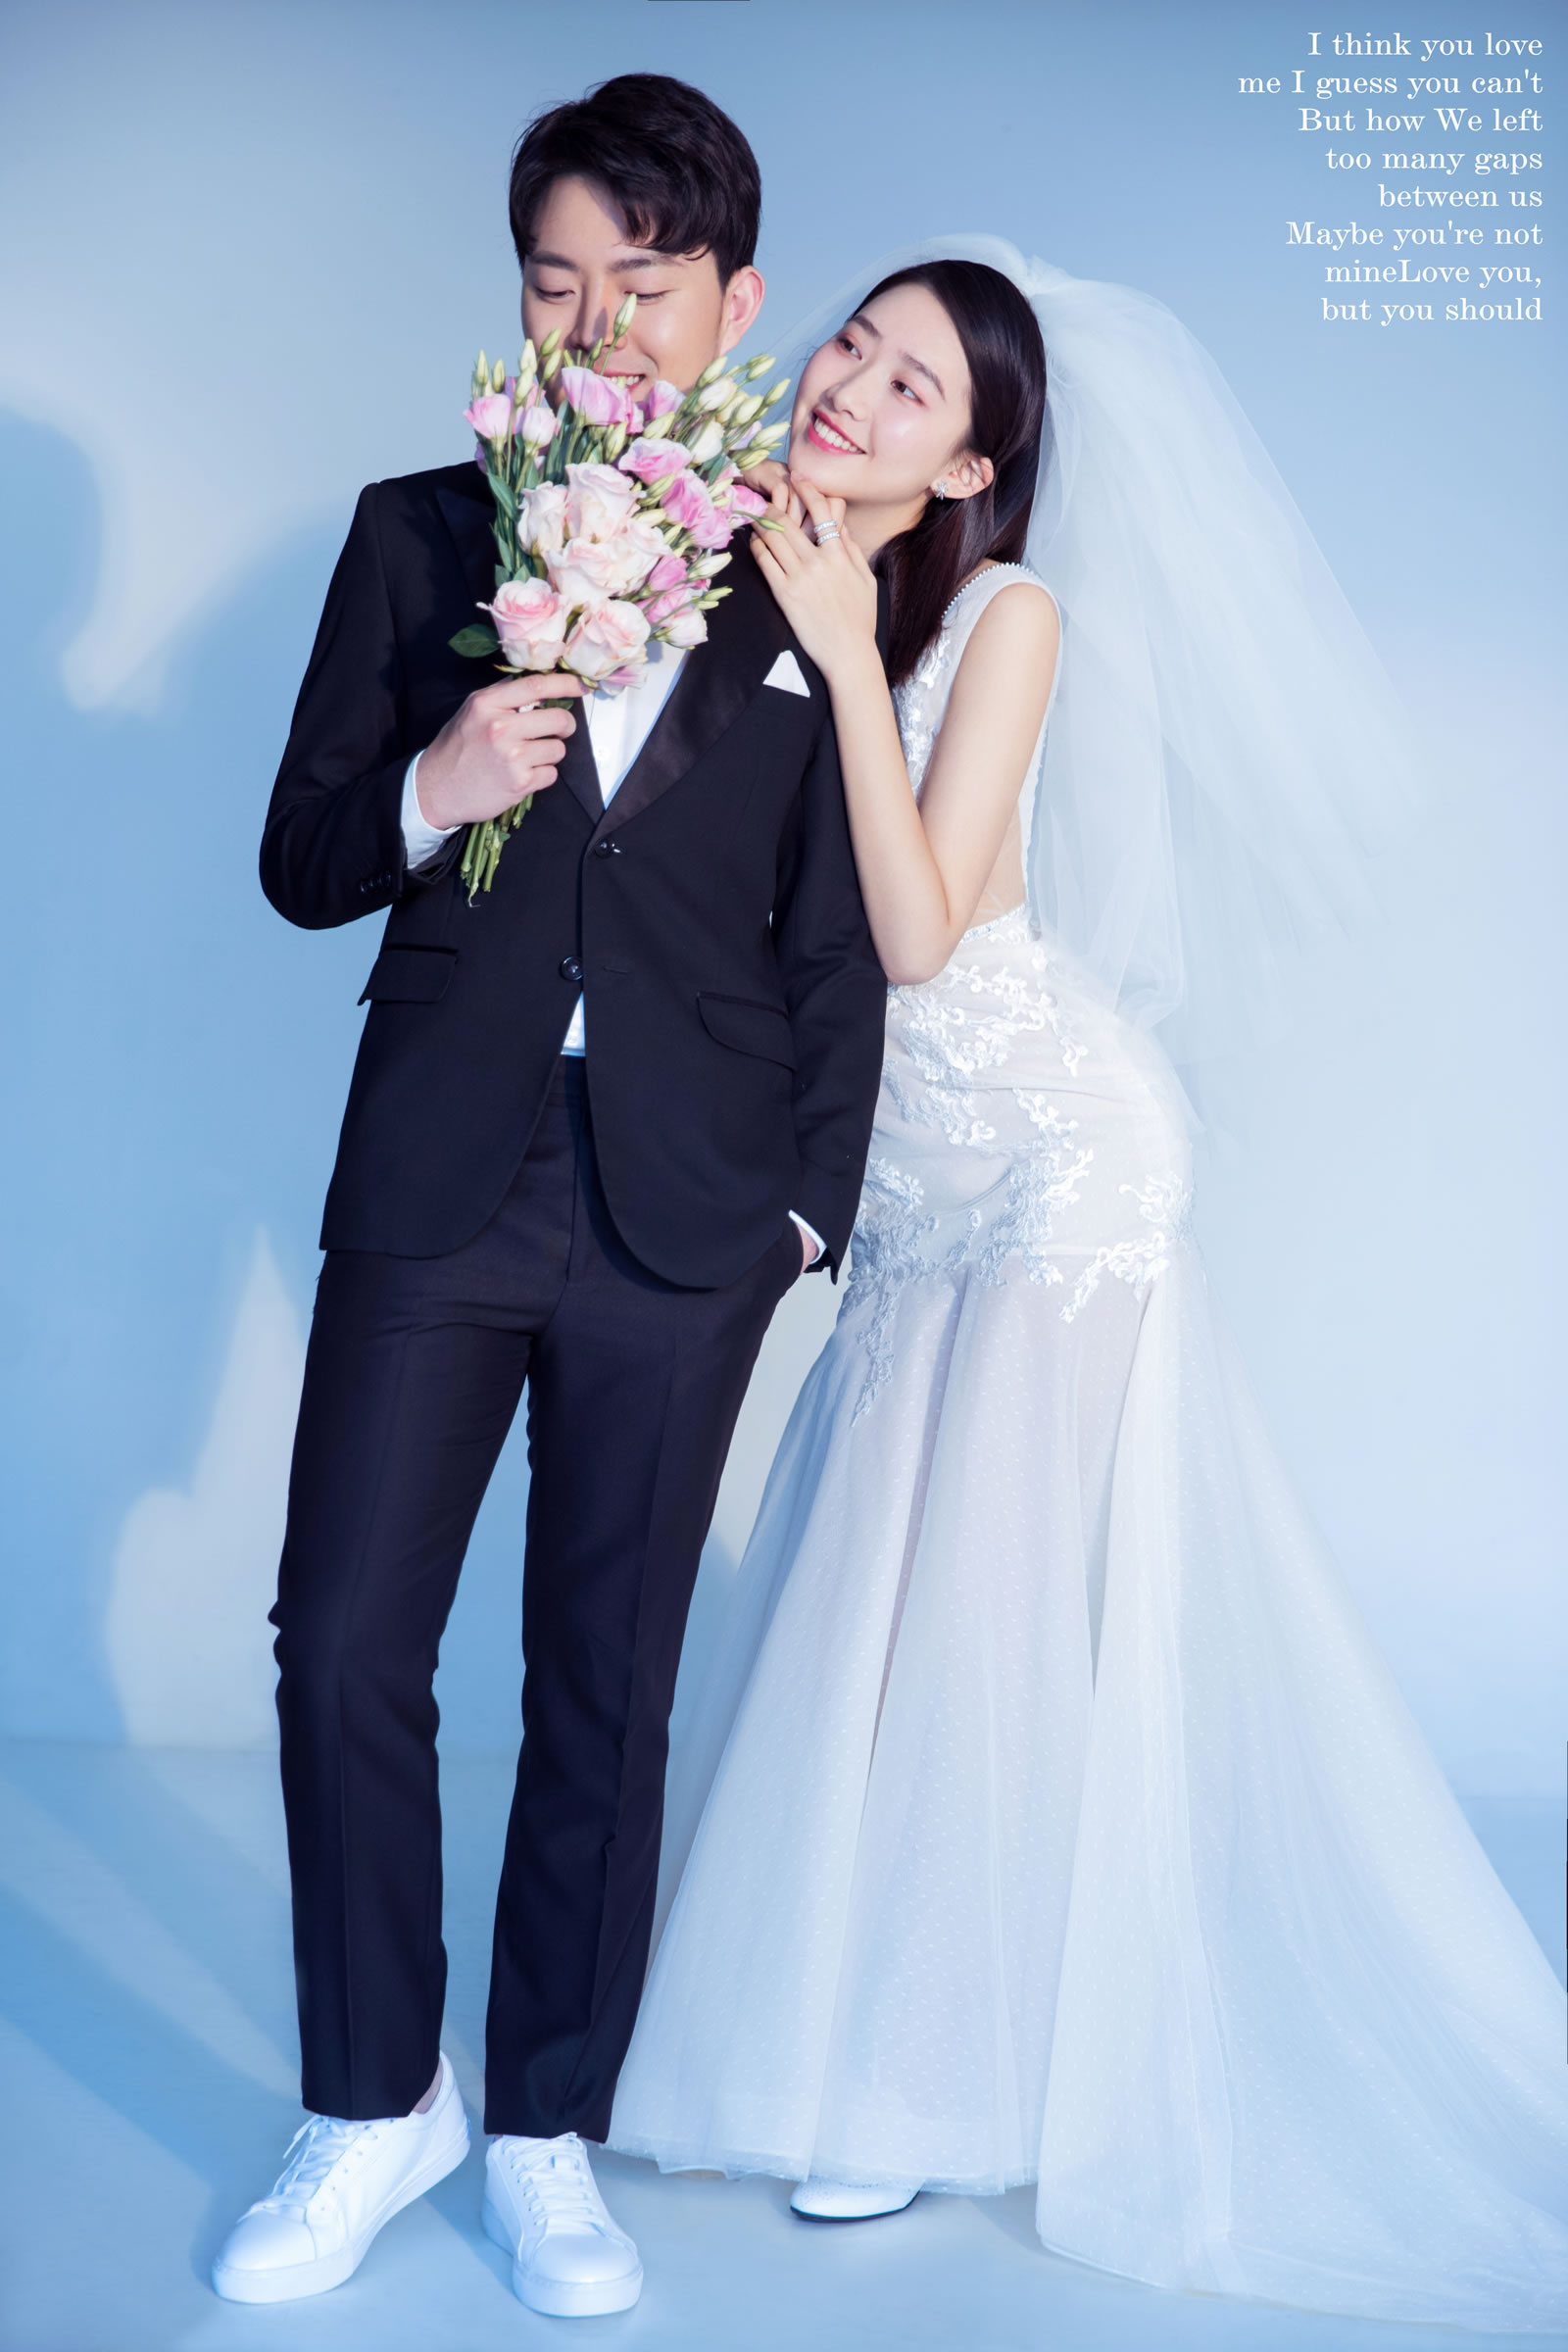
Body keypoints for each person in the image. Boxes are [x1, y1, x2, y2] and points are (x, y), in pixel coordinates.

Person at [608, 246, 1568, 2334]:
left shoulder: (1002, 619)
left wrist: (844, 655)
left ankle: (934, 2089)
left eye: (914, 384)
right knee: (871, 1603)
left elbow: (925, 933)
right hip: (907, 1176)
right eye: (853, 345)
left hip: (1052, 1160)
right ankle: (833, 2041)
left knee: (981, 1617)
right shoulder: (766, 582)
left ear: (976, 460)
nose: (852, 387)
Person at [212, 75, 886, 2319]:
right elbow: (305, 855)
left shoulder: (806, 573)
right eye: (555, 280)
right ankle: (368, 2102)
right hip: (443, 1170)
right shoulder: (421, 534)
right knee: (341, 1645)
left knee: (605, 1679)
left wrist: (806, 1214)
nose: (597, 322)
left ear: (735, 304)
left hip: (690, 1211)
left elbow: (835, 945)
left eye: (644, 282)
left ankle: (541, 2133)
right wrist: (433, 781)